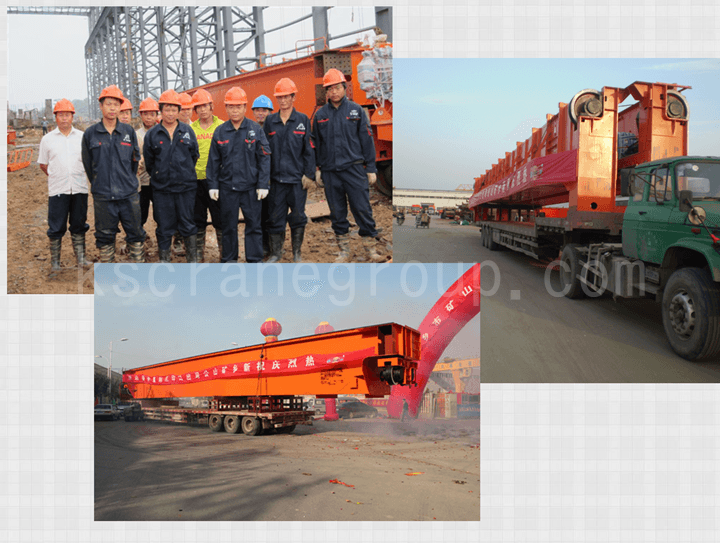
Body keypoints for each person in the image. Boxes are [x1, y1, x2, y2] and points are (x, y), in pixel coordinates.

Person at [312, 68, 383, 262]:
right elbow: (316, 144)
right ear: (326, 92)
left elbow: (367, 140)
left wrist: (371, 168)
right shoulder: (320, 115)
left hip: (354, 170)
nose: (333, 92)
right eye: (330, 89)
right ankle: (343, 250)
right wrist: (318, 169)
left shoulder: (356, 111)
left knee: (362, 209)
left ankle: (370, 249)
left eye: (337, 87)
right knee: (337, 212)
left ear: (344, 87)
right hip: (330, 172)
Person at [81, 85, 145, 263]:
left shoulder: (128, 132)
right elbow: (88, 164)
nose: (112, 108)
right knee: (104, 234)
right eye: (108, 104)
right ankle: (108, 274)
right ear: (101, 106)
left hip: (128, 194)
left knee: (135, 231)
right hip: (103, 195)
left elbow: (135, 160)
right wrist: (99, 183)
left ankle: (138, 269)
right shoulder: (91, 134)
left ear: (120, 108)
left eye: (116, 105)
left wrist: (127, 181)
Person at [206, 86, 271, 263]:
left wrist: (263, 184)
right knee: (228, 227)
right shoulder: (220, 131)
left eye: (238, 106)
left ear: (244, 107)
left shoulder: (255, 129)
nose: (235, 110)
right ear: (226, 108)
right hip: (228, 189)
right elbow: (213, 161)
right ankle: (229, 260)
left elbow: (264, 157)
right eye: (231, 107)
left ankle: (254, 260)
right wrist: (213, 185)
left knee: (254, 225)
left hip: (251, 189)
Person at [143, 89, 200, 263]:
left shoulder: (187, 131)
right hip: (162, 190)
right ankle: (165, 261)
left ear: (179, 111)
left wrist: (183, 172)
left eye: (174, 110)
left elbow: (194, 155)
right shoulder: (152, 134)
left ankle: (192, 261)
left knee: (188, 223)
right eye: (166, 110)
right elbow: (150, 162)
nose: (170, 113)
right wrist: (161, 175)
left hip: (186, 188)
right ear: (161, 111)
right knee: (164, 225)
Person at [263, 78, 315, 263]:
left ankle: (297, 253)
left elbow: (308, 149)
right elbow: (264, 151)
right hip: (276, 181)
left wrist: (309, 174)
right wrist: (265, 178)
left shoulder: (302, 120)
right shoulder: (270, 121)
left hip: (296, 181)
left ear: (293, 97)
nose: (283, 100)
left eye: (286, 97)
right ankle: (276, 253)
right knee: (275, 218)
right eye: (280, 97)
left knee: (298, 216)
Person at [37, 98, 90, 271]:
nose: (64, 118)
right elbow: (44, 165)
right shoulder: (47, 139)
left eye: (67, 115)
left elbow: (89, 162)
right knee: (56, 226)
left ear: (73, 117)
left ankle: (81, 259)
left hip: (79, 188)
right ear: (55, 117)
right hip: (58, 190)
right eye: (61, 115)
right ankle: (55, 264)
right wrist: (58, 175)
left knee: (79, 224)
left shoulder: (82, 137)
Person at [190, 89, 224, 262]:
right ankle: (197, 256)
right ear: (195, 110)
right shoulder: (190, 129)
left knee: (220, 218)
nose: (203, 110)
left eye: (205, 106)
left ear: (212, 106)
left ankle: (224, 254)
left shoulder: (222, 126)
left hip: (217, 181)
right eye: (199, 107)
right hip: (196, 180)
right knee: (197, 219)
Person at [251, 94, 274, 259]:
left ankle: (274, 248)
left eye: (264, 110)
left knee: (273, 215)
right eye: (257, 110)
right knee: (259, 216)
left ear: (270, 111)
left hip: (274, 179)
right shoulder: (249, 129)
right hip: (254, 180)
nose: (261, 113)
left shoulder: (275, 129)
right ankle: (264, 247)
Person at [135, 97, 160, 229]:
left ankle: (164, 241)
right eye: (145, 114)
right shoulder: (136, 135)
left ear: (157, 115)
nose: (149, 117)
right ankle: (139, 238)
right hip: (142, 181)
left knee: (161, 214)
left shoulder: (162, 132)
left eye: (152, 114)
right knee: (140, 212)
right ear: (141, 115)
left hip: (159, 180)